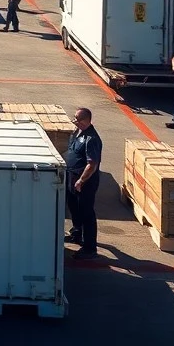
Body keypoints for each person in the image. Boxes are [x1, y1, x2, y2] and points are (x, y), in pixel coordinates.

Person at [65, 107, 102, 258]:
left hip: (84, 183)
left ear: (86, 121)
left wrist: (81, 180)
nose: (75, 121)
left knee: (86, 212)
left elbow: (92, 164)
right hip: (71, 177)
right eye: (74, 118)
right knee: (74, 208)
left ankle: (89, 247)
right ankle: (76, 233)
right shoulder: (77, 133)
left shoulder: (92, 139)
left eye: (78, 119)